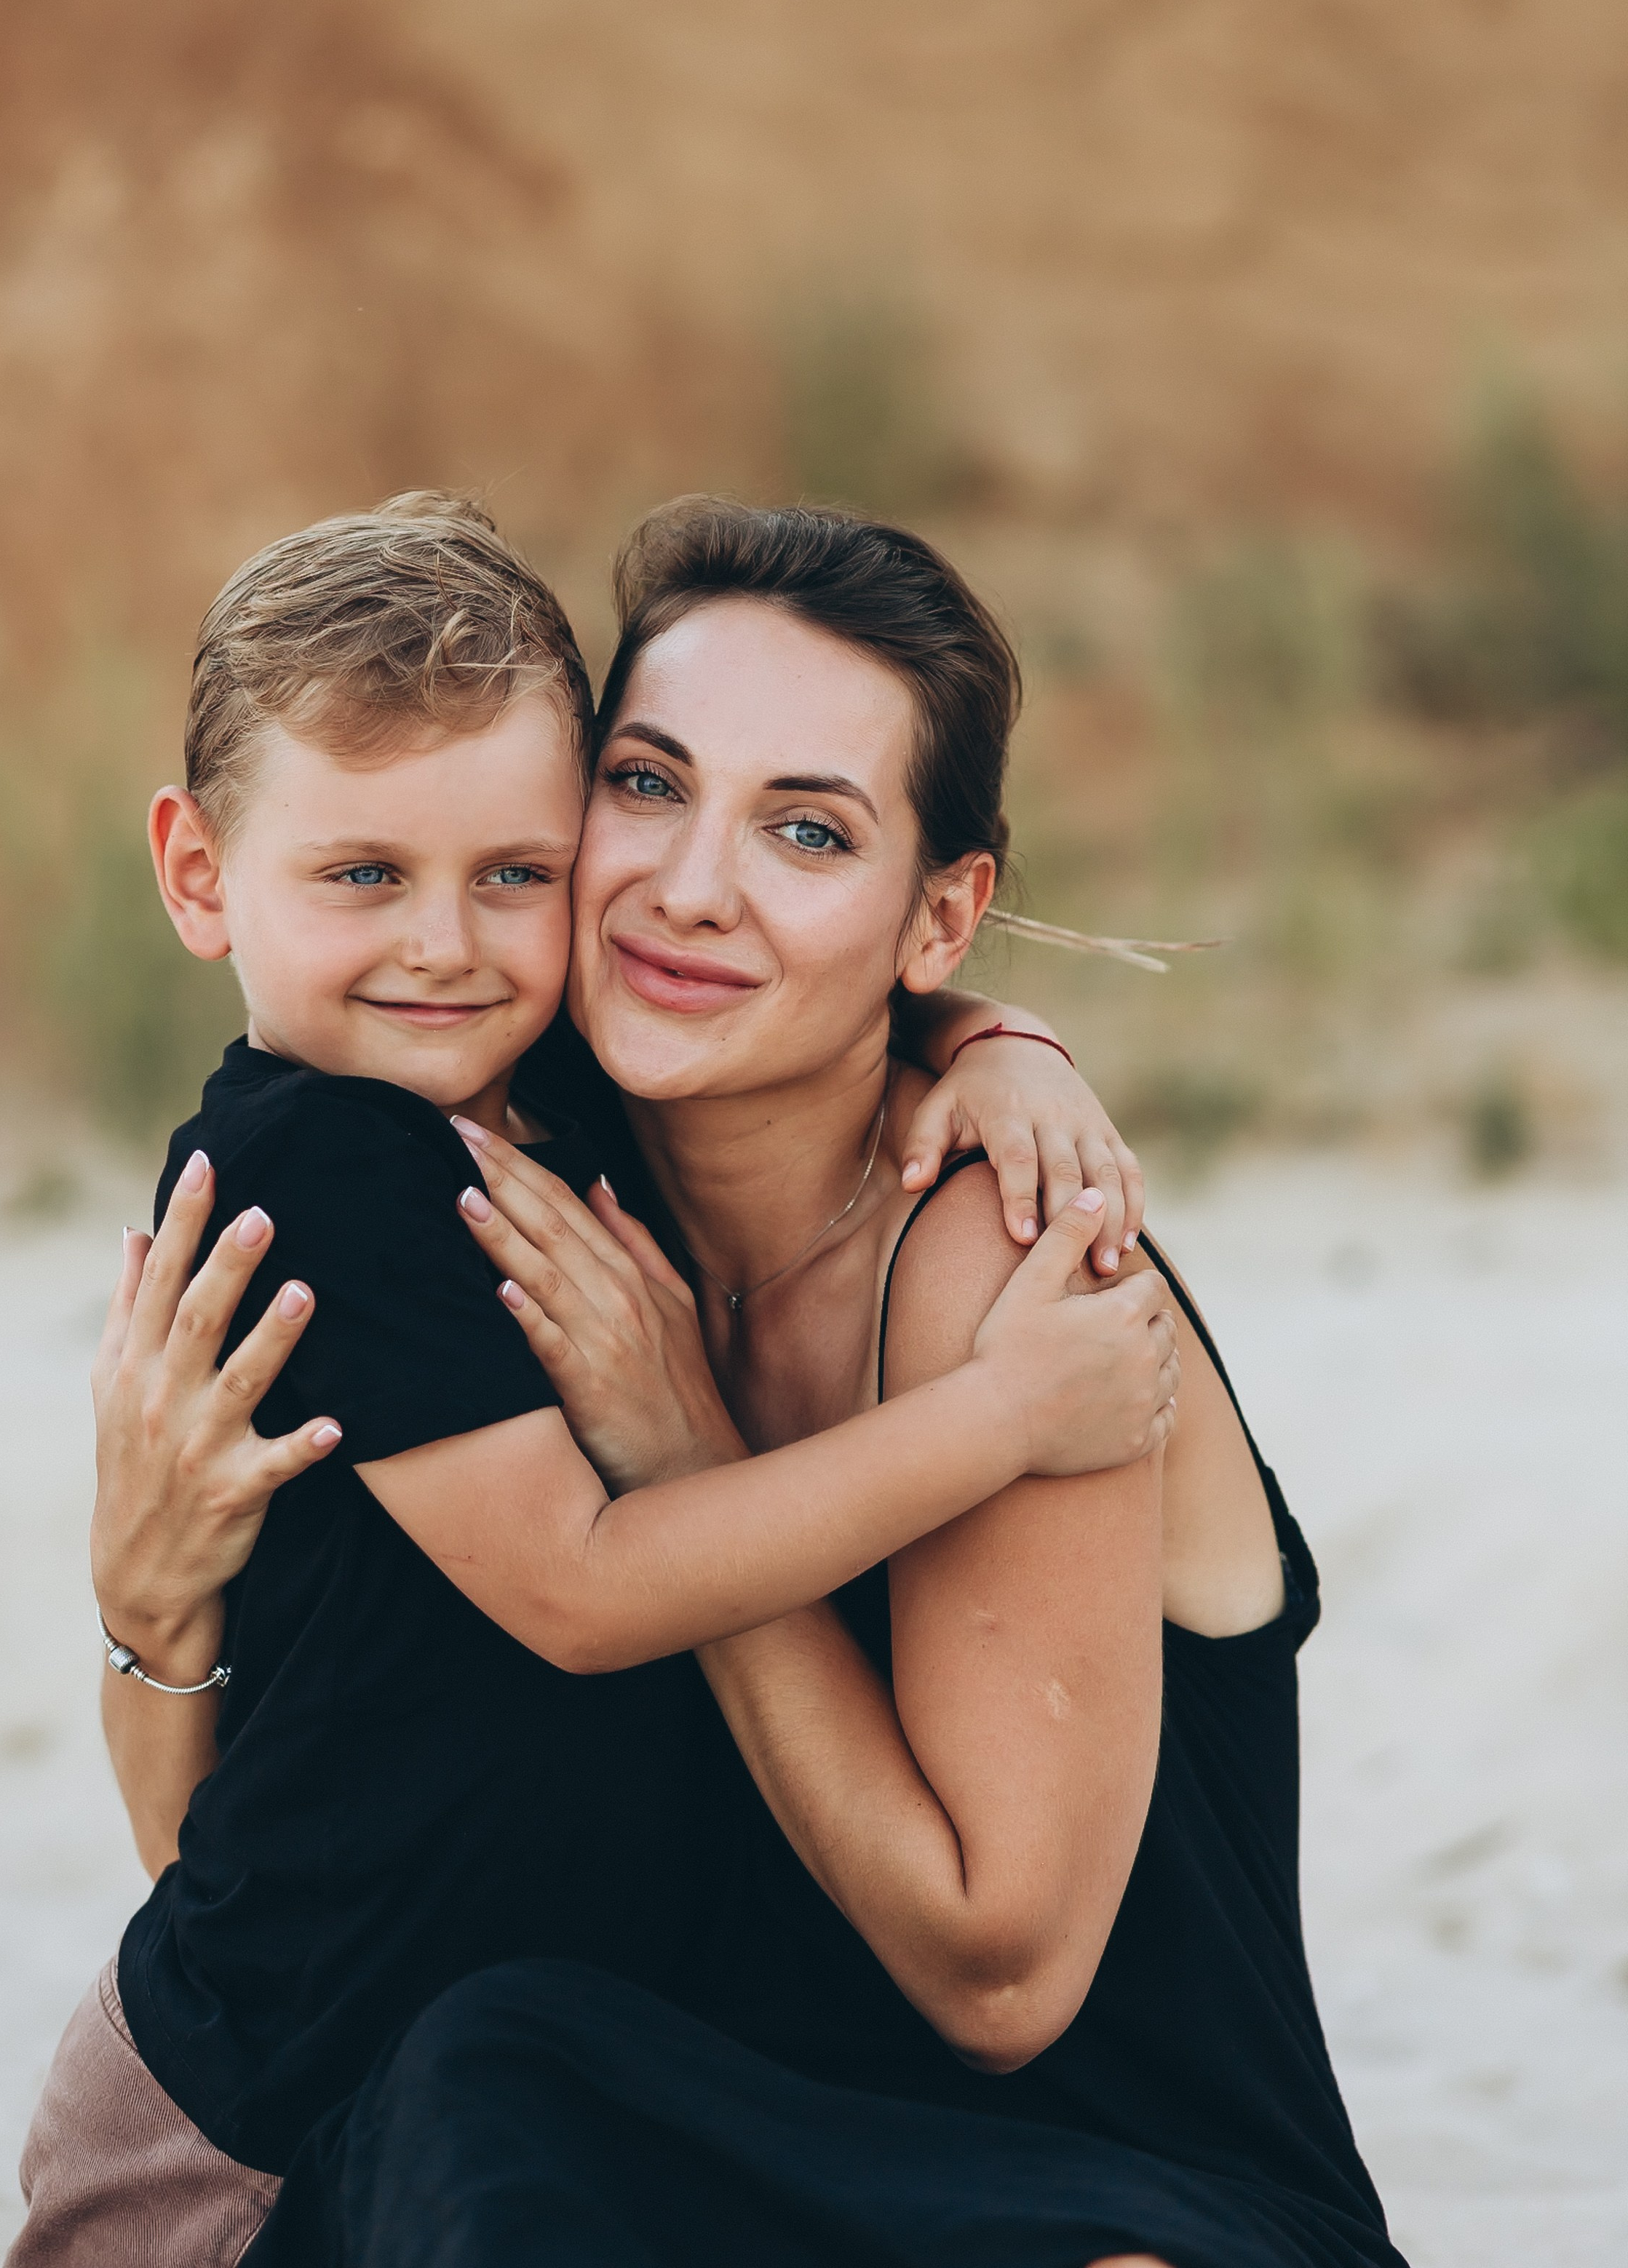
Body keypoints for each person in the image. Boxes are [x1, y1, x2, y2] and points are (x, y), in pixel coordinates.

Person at [85, 498, 1407, 2268]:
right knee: (470, 2074)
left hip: (1107, 2180)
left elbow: (998, 1979)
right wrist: (147, 1609)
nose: (691, 885)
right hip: (710, 2134)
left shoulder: (1019, 1273)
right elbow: (234, 1868)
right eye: (645, 786)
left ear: (938, 915)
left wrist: (688, 1448)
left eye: (807, 829)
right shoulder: (512, 1178)